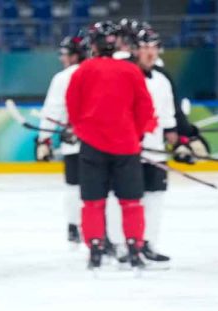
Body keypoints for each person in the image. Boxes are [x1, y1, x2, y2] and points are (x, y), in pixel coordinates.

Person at [66, 21, 156, 270]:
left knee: (93, 201)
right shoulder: (130, 71)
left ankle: (95, 247)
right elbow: (145, 107)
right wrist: (134, 134)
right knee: (131, 202)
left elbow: (72, 107)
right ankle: (134, 247)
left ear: (93, 44)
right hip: (126, 145)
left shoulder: (82, 71)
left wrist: (83, 130)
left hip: (92, 145)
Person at [36, 33, 88, 246]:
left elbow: (52, 111)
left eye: (64, 54)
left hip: (73, 143)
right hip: (101, 143)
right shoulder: (100, 72)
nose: (61, 58)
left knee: (73, 187)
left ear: (76, 55)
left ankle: (74, 227)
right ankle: (99, 230)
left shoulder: (63, 78)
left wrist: (44, 140)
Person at [133, 27, 179, 267]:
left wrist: (179, 141)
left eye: (153, 47)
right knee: (129, 200)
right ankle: (126, 245)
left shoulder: (161, 80)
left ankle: (149, 243)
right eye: (144, 47)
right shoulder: (127, 76)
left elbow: (169, 117)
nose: (150, 52)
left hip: (155, 150)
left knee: (156, 198)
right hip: (130, 151)